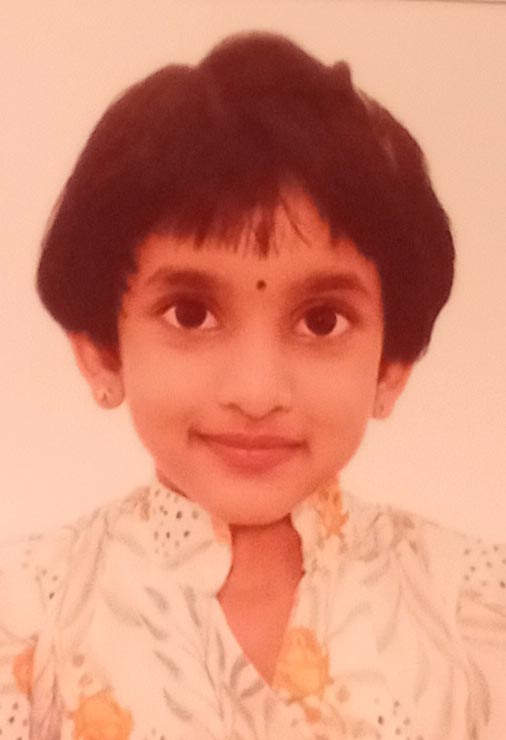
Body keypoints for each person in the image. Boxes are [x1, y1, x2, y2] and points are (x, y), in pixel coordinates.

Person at [1, 31, 504, 740]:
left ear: (392, 366)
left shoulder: (477, 605)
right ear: (102, 353)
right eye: (191, 314)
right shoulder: (26, 611)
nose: (258, 390)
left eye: (322, 321)